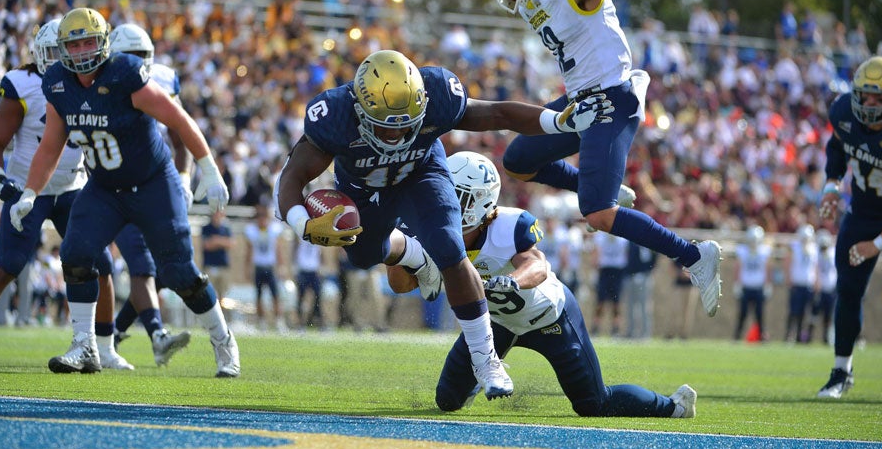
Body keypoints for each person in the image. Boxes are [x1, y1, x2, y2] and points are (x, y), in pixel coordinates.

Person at [274, 49, 589, 400]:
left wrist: (555, 122)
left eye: (408, 124)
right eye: (385, 128)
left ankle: (486, 361)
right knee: (363, 256)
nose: (396, 137)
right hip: (365, 189)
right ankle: (412, 255)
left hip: (421, 174)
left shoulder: (438, 93)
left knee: (449, 248)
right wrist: (302, 224)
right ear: (360, 110)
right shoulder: (334, 115)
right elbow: (291, 177)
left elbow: (497, 113)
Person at [478, 0, 723, 318]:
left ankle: (695, 255)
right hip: (581, 100)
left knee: (599, 215)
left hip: (612, 98)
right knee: (518, 161)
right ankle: (604, 186)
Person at [8, 7, 239, 377]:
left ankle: (223, 341)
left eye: (89, 42)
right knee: (76, 254)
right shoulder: (57, 82)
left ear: (103, 43)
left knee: (178, 271)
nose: (82, 51)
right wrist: (30, 193)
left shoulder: (125, 75)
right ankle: (85, 346)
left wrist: (208, 170)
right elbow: (51, 145)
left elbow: (178, 119)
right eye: (74, 44)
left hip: (152, 183)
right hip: (104, 187)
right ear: (62, 48)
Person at [391, 151, 696, 417]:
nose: (448, 203)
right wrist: (399, 251)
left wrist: (510, 282)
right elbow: (401, 285)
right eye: (446, 193)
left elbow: (537, 265)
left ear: (481, 202)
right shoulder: (432, 229)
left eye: (460, 197)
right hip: (495, 323)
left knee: (593, 403)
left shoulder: (510, 225)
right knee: (447, 400)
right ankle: (474, 380)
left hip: (549, 317)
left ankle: (672, 406)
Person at [0, 21, 119, 364]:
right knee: (9, 264)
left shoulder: (92, 82)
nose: (59, 60)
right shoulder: (23, 85)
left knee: (100, 262)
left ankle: (102, 348)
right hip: (28, 188)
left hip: (73, 187)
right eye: (51, 53)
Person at [107, 22, 192, 368]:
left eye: (141, 56)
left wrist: (184, 178)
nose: (134, 62)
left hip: (153, 186)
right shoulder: (98, 82)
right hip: (113, 187)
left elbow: (179, 133)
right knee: (142, 265)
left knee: (158, 271)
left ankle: (113, 333)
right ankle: (156, 335)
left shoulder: (163, 78)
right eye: (128, 56)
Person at [817, 55, 882, 398]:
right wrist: (832, 184)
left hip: (880, 221)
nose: (870, 105)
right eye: (866, 96)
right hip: (862, 211)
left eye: (880, 99)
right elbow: (838, 146)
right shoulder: (844, 113)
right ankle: (841, 371)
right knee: (847, 288)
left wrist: (877, 244)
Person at [243, 204, 286, 329]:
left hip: (270, 267)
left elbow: (278, 249)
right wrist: (247, 268)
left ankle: (279, 320)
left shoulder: (274, 229)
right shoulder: (252, 230)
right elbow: (249, 251)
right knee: (259, 296)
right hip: (259, 267)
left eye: (263, 217)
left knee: (276, 295)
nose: (261, 220)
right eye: (259, 217)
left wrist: (282, 266)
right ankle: (261, 321)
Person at [732, 225, 773, 342]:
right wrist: (737, 283)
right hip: (746, 287)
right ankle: (737, 336)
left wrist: (768, 284)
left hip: (759, 287)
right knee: (742, 314)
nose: (753, 243)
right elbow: (738, 267)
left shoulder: (765, 251)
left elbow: (768, 268)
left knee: (760, 315)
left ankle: (762, 337)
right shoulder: (742, 251)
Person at [784, 224, 818, 343]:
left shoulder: (814, 249)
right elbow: (788, 263)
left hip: (808, 285)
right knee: (793, 312)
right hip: (796, 284)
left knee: (804, 313)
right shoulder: (794, 247)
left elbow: (815, 267)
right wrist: (788, 278)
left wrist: (816, 281)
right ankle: (788, 335)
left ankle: (799, 336)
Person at [623, 241, 657, 339]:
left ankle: (645, 333)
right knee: (630, 306)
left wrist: (649, 271)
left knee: (644, 306)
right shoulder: (630, 241)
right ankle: (630, 332)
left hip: (644, 276)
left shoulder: (649, 241)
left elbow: (654, 257)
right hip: (629, 276)